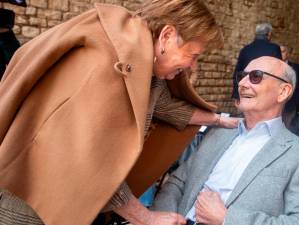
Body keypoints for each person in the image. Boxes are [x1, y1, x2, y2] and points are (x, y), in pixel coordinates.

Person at [0, 1, 239, 225]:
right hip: (29, 201)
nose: (192, 67)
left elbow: (164, 106)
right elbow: (95, 164)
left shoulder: (139, 63)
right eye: (193, 55)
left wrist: (219, 120)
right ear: (167, 36)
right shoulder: (109, 65)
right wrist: (147, 218)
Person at [152, 56, 299, 225]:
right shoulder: (218, 133)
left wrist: (228, 219)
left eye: (255, 77)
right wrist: (163, 216)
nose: (242, 83)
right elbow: (177, 182)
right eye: (242, 76)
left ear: (283, 92)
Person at [231, 22, 282, 100]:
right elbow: (278, 73)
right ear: (269, 34)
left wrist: (237, 94)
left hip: (246, 92)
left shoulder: (245, 49)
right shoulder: (274, 49)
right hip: (264, 94)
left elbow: (237, 73)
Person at [280, 44, 299, 126]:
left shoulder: (295, 68)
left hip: (289, 107)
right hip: (272, 106)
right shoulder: (271, 66)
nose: (280, 53)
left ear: (288, 54)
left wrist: (295, 104)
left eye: (283, 51)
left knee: (285, 130)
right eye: (278, 51)